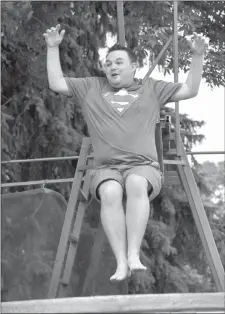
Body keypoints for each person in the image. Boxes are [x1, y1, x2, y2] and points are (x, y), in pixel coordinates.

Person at [43, 24, 208, 282]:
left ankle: (133, 255)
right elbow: (56, 83)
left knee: (134, 182)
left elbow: (190, 90)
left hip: (143, 167)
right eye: (108, 63)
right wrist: (52, 47)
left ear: (133, 67)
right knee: (110, 191)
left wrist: (197, 56)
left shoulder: (151, 88)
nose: (112, 67)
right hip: (106, 168)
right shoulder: (90, 87)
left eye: (119, 62)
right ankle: (121, 262)